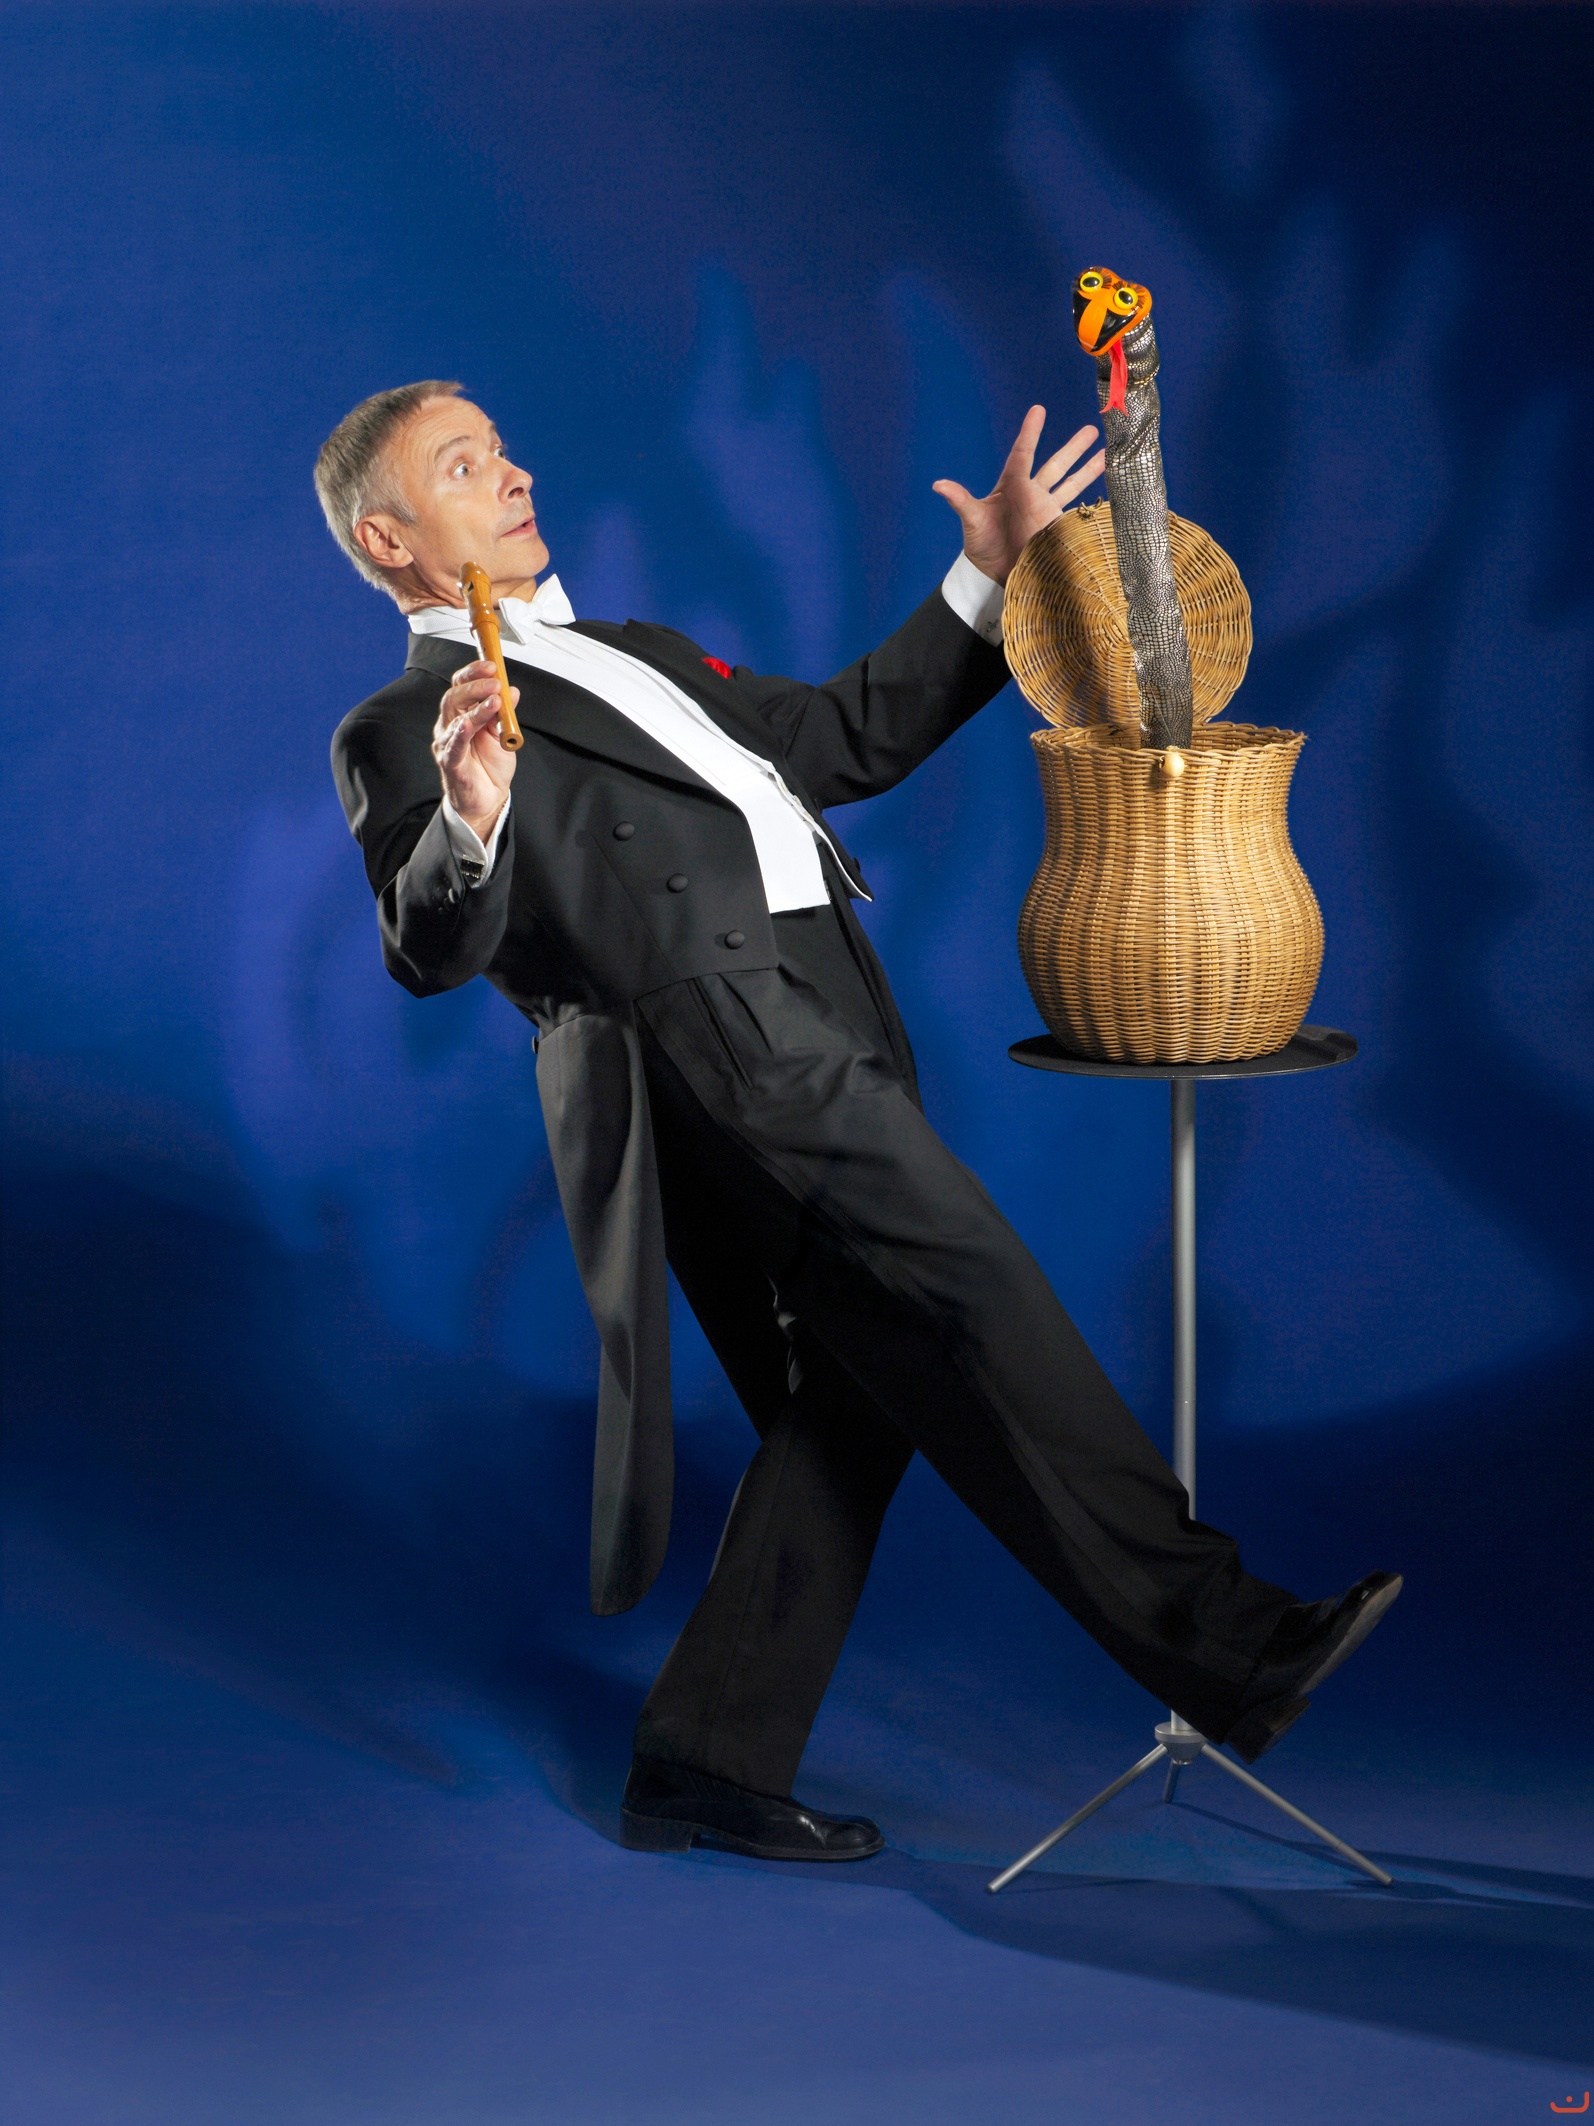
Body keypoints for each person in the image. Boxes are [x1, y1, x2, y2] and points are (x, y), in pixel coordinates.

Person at [318, 380, 1399, 1862]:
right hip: (715, 1045)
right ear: (388, 538)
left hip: (822, 1017)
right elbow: (426, 945)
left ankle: (702, 1759)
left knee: (860, 1394)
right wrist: (472, 811)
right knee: (973, 1285)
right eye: (463, 465)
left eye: (504, 448)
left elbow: (839, 738)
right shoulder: (398, 727)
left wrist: (988, 577)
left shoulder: (632, 650)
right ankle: (1230, 1641)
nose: (512, 475)